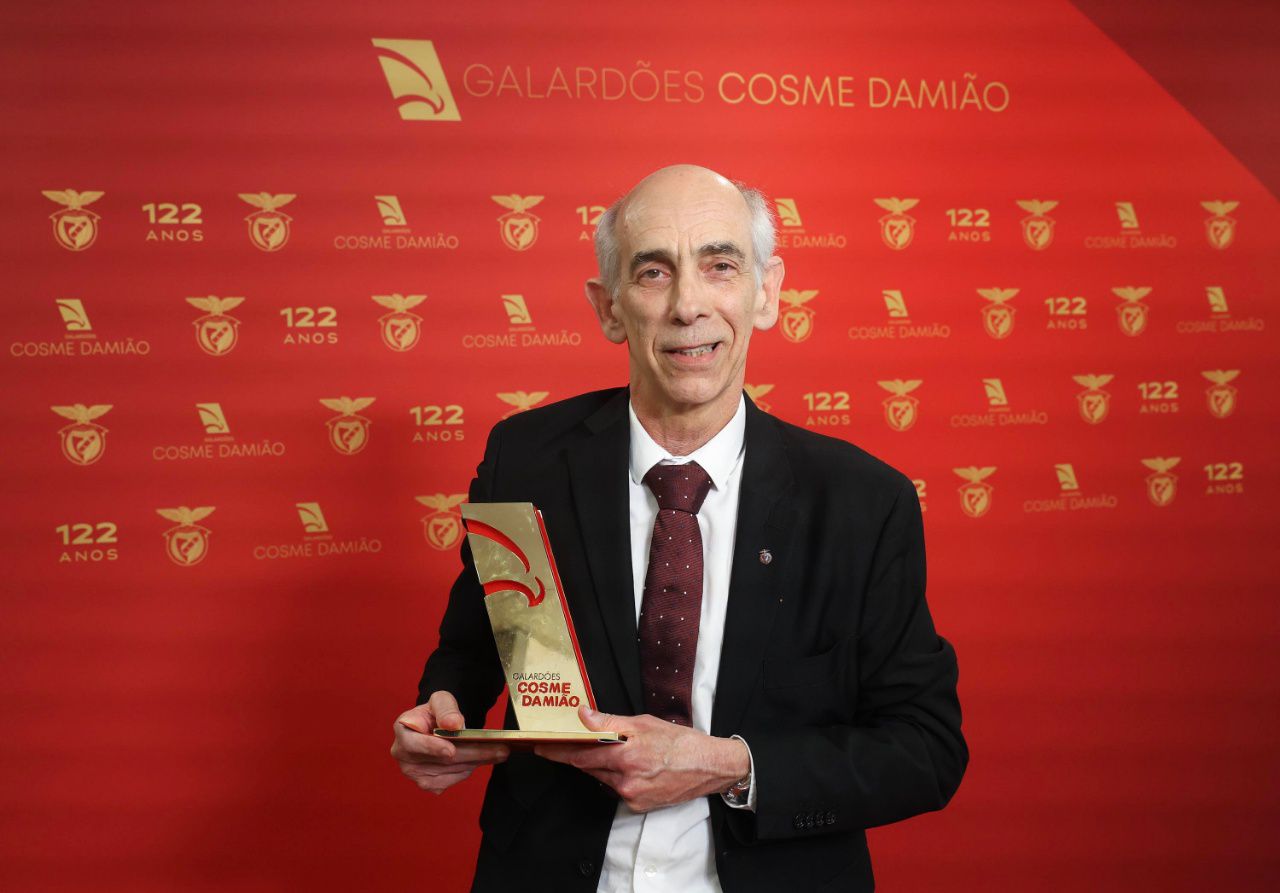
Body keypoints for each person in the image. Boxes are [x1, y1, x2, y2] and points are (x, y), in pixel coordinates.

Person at [390, 164, 966, 892]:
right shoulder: (525, 460)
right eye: (654, 272)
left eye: (720, 266)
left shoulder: (862, 502)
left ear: (767, 292)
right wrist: (442, 715)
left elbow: (924, 748)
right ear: (609, 308)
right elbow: (473, 652)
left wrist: (728, 764)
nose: (688, 305)